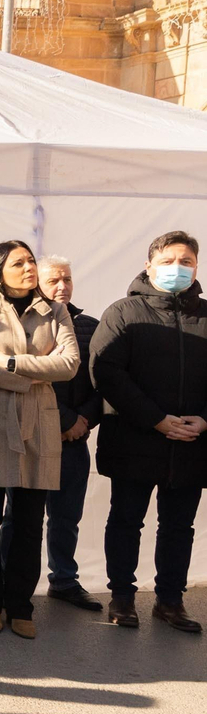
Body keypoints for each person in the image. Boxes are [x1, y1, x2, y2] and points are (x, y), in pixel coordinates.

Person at [0, 241, 79, 639]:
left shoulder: (55, 310)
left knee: (29, 519)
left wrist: (10, 363)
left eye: (30, 261)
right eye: (19, 262)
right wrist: (34, 378)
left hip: (38, 423)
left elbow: (70, 365)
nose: (29, 268)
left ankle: (21, 605)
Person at [90, 230, 207, 633]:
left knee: (179, 527)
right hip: (134, 439)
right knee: (126, 521)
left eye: (187, 260)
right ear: (149, 265)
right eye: (169, 260)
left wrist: (203, 420)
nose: (179, 268)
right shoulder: (123, 312)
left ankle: (170, 602)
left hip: (191, 445)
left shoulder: (206, 316)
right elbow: (105, 373)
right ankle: (122, 598)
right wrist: (156, 419)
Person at [0, 257, 104, 610]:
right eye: (54, 280)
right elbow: (21, 378)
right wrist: (61, 420)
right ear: (36, 284)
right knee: (18, 516)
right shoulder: (22, 326)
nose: (62, 286)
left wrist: (83, 422)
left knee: (66, 516)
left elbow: (104, 383)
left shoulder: (91, 326)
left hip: (75, 440)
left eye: (67, 279)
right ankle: (6, 578)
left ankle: (63, 579)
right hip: (31, 435)